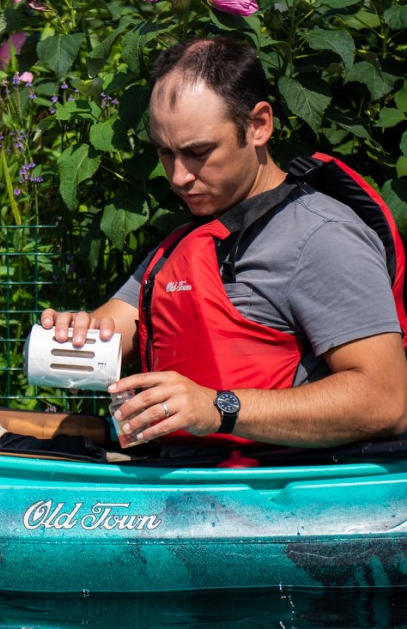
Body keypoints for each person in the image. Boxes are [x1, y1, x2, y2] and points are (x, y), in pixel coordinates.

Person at [41, 36, 407, 454]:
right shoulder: (187, 243)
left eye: (198, 152)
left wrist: (219, 407)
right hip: (187, 492)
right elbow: (108, 333)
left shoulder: (323, 238)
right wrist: (72, 334)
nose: (178, 177)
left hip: (287, 502)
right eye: (165, 152)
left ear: (258, 125)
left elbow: (387, 401)